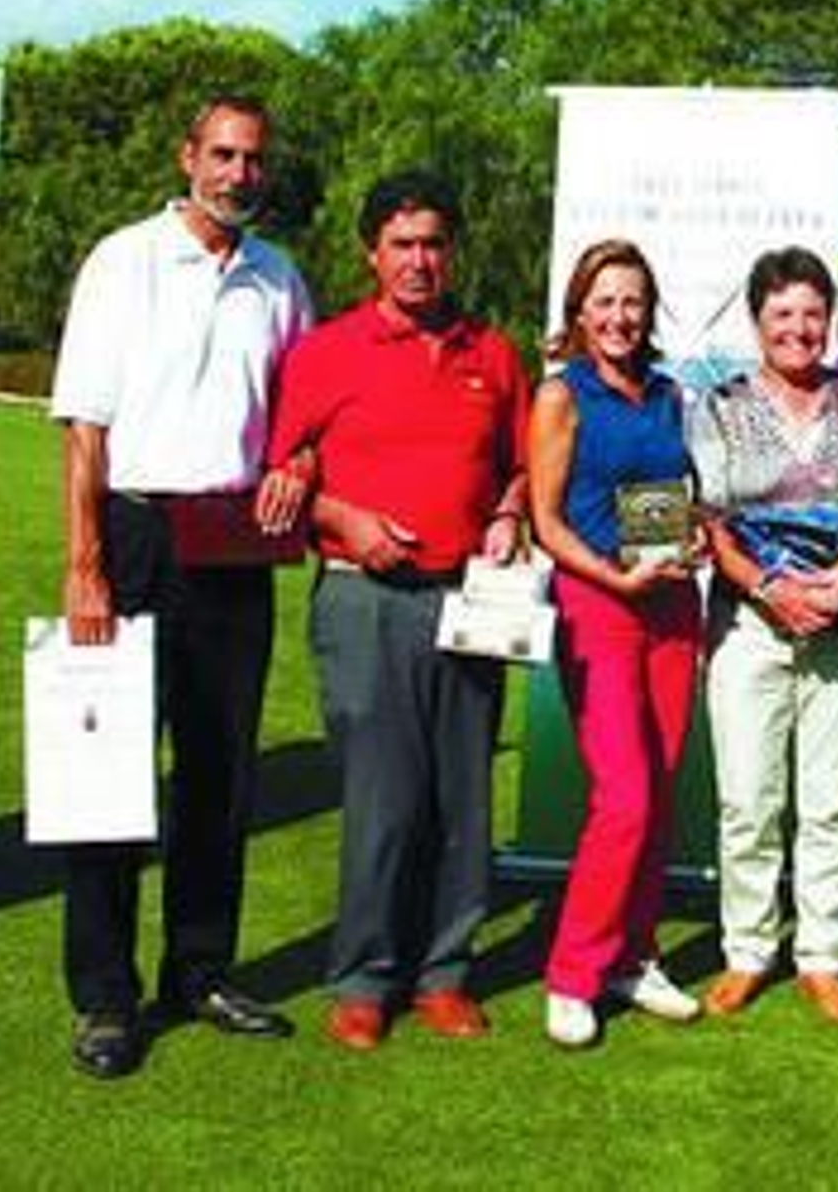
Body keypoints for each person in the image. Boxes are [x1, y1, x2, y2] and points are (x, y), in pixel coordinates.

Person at [50, 93, 314, 1079]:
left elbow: (302, 416)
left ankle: (198, 969)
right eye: (222, 154)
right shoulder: (123, 260)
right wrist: (86, 564)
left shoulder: (280, 278)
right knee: (108, 777)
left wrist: (302, 459)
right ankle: (106, 996)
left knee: (220, 771)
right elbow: (84, 423)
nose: (238, 173)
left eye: (253, 159)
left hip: (236, 541)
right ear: (188, 157)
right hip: (134, 533)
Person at [266, 170, 530, 1051]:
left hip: (467, 601)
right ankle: (365, 977)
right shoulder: (323, 351)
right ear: (370, 253)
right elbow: (282, 479)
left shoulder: (490, 352)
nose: (420, 260)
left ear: (452, 251)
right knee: (383, 797)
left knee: (463, 795)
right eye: (402, 244)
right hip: (362, 597)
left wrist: (506, 511)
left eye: (433, 244)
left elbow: (522, 466)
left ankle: (444, 973)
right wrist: (342, 517)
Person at [690, 247, 838, 1024]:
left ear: (830, 320)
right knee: (748, 797)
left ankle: (820, 953)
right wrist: (770, 588)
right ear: (758, 322)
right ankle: (747, 949)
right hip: (751, 622)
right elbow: (707, 517)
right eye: (783, 314)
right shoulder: (719, 407)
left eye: (814, 313)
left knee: (831, 797)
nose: (800, 329)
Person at [529, 239, 705, 1050]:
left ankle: (637, 953)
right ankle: (573, 972)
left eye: (632, 300)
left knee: (660, 790)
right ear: (578, 309)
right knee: (624, 794)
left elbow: (680, 498)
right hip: (596, 602)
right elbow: (547, 520)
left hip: (670, 604)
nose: (619, 316)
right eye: (604, 301)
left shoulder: (669, 395)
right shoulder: (562, 396)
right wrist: (611, 574)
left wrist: (694, 542)